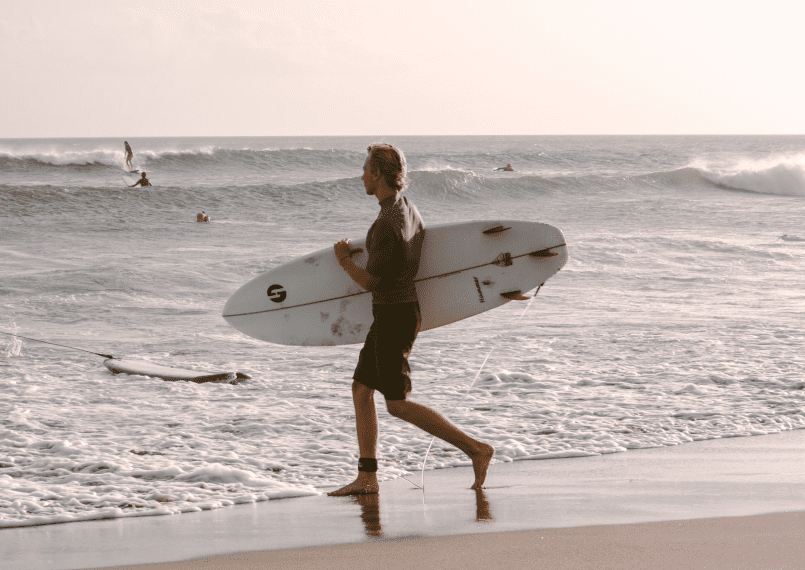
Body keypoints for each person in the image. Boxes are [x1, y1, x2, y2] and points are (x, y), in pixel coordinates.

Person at [329, 143, 494, 496]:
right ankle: (367, 476)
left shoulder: (386, 224)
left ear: (377, 174)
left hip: (394, 316)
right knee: (361, 390)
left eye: (365, 169)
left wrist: (344, 260)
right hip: (395, 313)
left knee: (397, 404)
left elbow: (374, 282)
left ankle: (476, 449)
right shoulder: (406, 208)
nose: (361, 175)